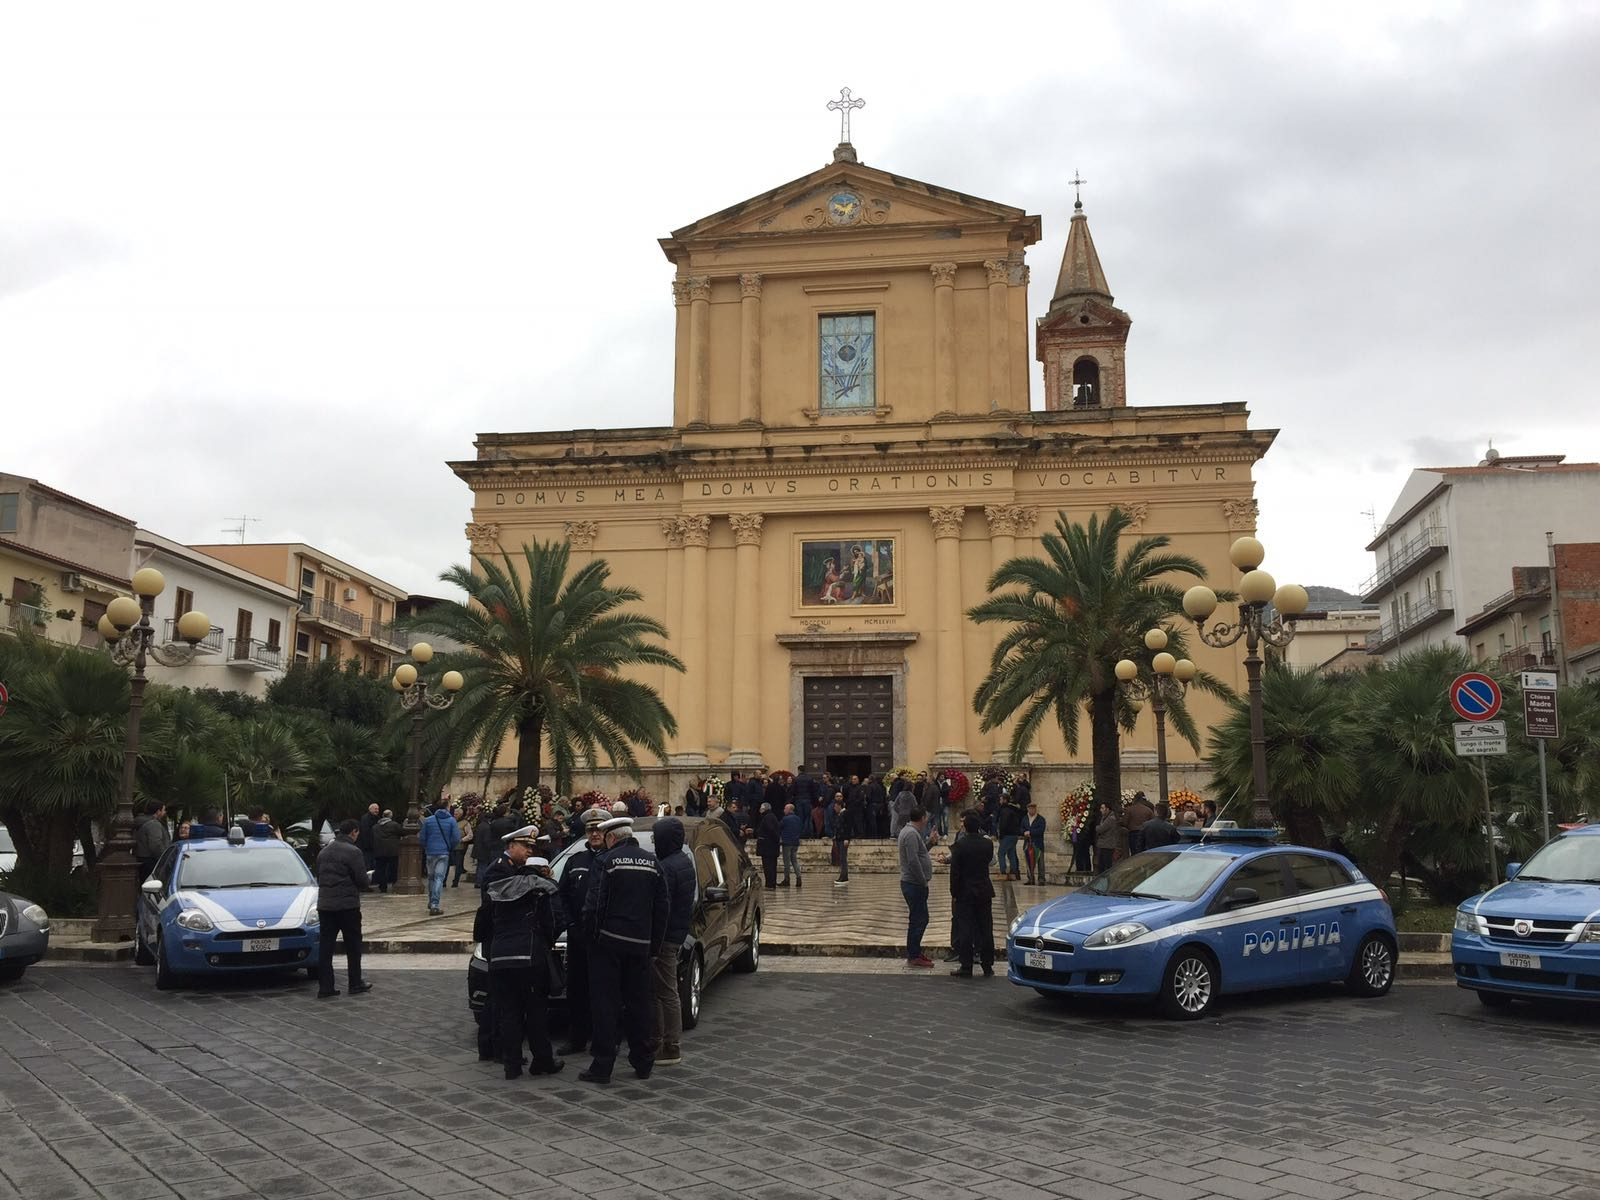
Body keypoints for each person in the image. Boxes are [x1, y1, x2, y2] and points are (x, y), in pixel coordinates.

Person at [579, 816, 668, 1085]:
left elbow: (595, 903)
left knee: (606, 1005)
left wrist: (591, 937)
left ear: (612, 837)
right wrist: (654, 945)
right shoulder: (653, 863)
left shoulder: (606, 861)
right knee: (639, 1004)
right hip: (640, 946)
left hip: (608, 944)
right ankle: (643, 1062)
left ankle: (603, 1065)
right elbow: (662, 908)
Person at [478, 826, 564, 1079]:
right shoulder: (521, 882)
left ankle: (512, 1065)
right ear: (510, 846)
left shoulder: (507, 878)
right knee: (533, 1010)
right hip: (527, 954)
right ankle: (541, 1060)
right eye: (525, 846)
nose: (529, 851)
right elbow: (550, 922)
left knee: (509, 1011)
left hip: (502, 954)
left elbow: (485, 918)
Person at [557, 807, 608, 1056]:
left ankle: (603, 1039)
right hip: (578, 937)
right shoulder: (575, 861)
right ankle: (576, 1038)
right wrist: (571, 924)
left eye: (599, 829)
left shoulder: (613, 859)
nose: (595, 833)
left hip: (606, 939)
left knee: (604, 992)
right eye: (590, 829)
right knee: (577, 990)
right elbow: (562, 896)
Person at [650, 816, 695, 1067]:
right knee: (666, 990)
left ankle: (669, 1046)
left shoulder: (667, 867)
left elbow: (661, 905)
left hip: (665, 938)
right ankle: (663, 1041)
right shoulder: (684, 861)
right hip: (676, 934)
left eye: (657, 838)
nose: (655, 842)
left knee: (665, 992)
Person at [315, 819, 372, 999]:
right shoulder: (354, 852)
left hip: (325, 906)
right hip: (347, 906)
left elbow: (319, 876)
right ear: (354, 832)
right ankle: (355, 982)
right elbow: (362, 881)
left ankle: (325, 986)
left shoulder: (323, 853)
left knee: (326, 947)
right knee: (353, 946)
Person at [948, 812, 996, 977]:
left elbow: (955, 873)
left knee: (966, 929)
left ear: (966, 827)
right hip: (984, 890)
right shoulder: (987, 845)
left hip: (965, 892)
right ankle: (987, 965)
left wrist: (954, 893)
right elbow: (988, 861)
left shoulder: (960, 846)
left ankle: (966, 965)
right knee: (985, 928)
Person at [897, 806, 937, 968]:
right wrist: (922, 880)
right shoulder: (911, 834)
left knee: (917, 918)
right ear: (921, 818)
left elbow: (920, 854)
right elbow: (913, 860)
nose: (926, 820)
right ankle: (913, 954)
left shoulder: (911, 832)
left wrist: (931, 843)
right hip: (914, 883)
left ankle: (915, 951)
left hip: (914, 882)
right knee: (919, 919)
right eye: (925, 817)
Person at [418, 799, 460, 916]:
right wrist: (449, 847)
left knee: (431, 877)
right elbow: (456, 838)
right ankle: (435, 904)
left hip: (430, 852)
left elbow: (422, 837)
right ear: (447, 807)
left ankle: (431, 901)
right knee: (439, 878)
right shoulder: (451, 821)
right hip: (443, 853)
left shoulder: (428, 820)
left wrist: (427, 847)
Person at [134, 801, 170, 881]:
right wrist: (164, 858)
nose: (165, 812)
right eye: (163, 810)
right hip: (151, 862)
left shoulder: (141, 821)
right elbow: (156, 845)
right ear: (158, 811)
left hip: (142, 859)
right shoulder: (153, 824)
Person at [372, 809, 402, 892]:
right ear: (390, 816)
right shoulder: (394, 825)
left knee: (380, 869)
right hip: (392, 851)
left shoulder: (375, 827)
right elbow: (402, 832)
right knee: (393, 868)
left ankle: (382, 887)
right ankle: (394, 884)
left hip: (379, 851)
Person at [995, 796, 1023, 881]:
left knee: (1001, 853)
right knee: (1011, 854)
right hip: (1014, 835)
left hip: (1007, 835)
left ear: (1004, 800)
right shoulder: (1013, 810)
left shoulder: (1005, 811)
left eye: (1001, 799)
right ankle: (1013, 873)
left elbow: (1004, 823)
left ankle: (1003, 872)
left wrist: (1001, 835)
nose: (999, 801)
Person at [755, 802, 781, 889]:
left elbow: (771, 830)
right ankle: (771, 883)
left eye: (761, 808)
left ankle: (770, 884)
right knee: (771, 865)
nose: (759, 810)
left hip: (768, 846)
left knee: (768, 866)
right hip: (771, 846)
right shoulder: (770, 816)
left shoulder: (767, 817)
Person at [778, 803, 803, 888]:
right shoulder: (798, 819)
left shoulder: (785, 819)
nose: (784, 810)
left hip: (787, 842)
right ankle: (799, 878)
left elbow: (779, 827)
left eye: (785, 809)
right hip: (795, 842)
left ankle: (787, 879)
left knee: (787, 862)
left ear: (789, 810)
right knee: (794, 860)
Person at [1023, 802, 1047, 885]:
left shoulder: (1041, 819)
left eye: (1033, 808)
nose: (1032, 810)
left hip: (1037, 843)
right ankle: (1030, 878)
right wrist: (1024, 832)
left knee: (1040, 862)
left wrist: (1030, 832)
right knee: (1028, 861)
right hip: (1027, 843)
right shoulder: (1025, 818)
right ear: (1028, 809)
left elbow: (1041, 830)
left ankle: (1041, 879)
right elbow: (1021, 828)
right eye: (1030, 808)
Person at [831, 793, 850, 886]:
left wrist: (846, 838)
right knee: (841, 858)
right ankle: (842, 875)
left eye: (835, 806)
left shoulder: (845, 814)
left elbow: (847, 827)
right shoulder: (839, 815)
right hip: (839, 838)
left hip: (843, 839)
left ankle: (844, 876)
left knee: (843, 858)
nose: (834, 808)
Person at [451, 807, 474, 887]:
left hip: (460, 847)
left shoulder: (465, 823)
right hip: (451, 846)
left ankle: (455, 881)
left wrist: (462, 840)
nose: (454, 815)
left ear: (460, 815)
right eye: (454, 814)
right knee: (452, 864)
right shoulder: (452, 821)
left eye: (456, 814)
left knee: (458, 864)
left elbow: (470, 835)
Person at [1094, 802, 1119, 874]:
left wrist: (1097, 827)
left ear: (1107, 809)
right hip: (1103, 844)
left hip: (1107, 845)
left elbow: (1101, 829)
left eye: (1102, 808)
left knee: (1106, 865)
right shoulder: (1104, 817)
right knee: (1101, 865)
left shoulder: (1110, 819)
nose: (1100, 810)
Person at [356, 802, 380, 873]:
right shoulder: (366, 818)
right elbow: (365, 832)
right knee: (368, 863)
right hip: (367, 845)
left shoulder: (376, 818)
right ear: (370, 809)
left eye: (378, 809)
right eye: (375, 809)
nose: (377, 810)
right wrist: (368, 845)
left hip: (373, 844)